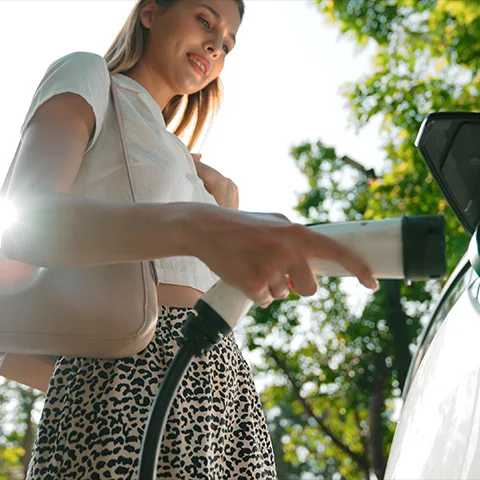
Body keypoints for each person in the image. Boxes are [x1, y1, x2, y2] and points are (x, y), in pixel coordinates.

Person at [2, 0, 378, 478]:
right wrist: (103, 382)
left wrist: (221, 209)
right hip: (121, 390)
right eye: (205, 20)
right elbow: (28, 224)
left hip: (223, 396)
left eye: (227, 44)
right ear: (151, 12)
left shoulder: (195, 170)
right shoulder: (89, 75)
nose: (215, 47)